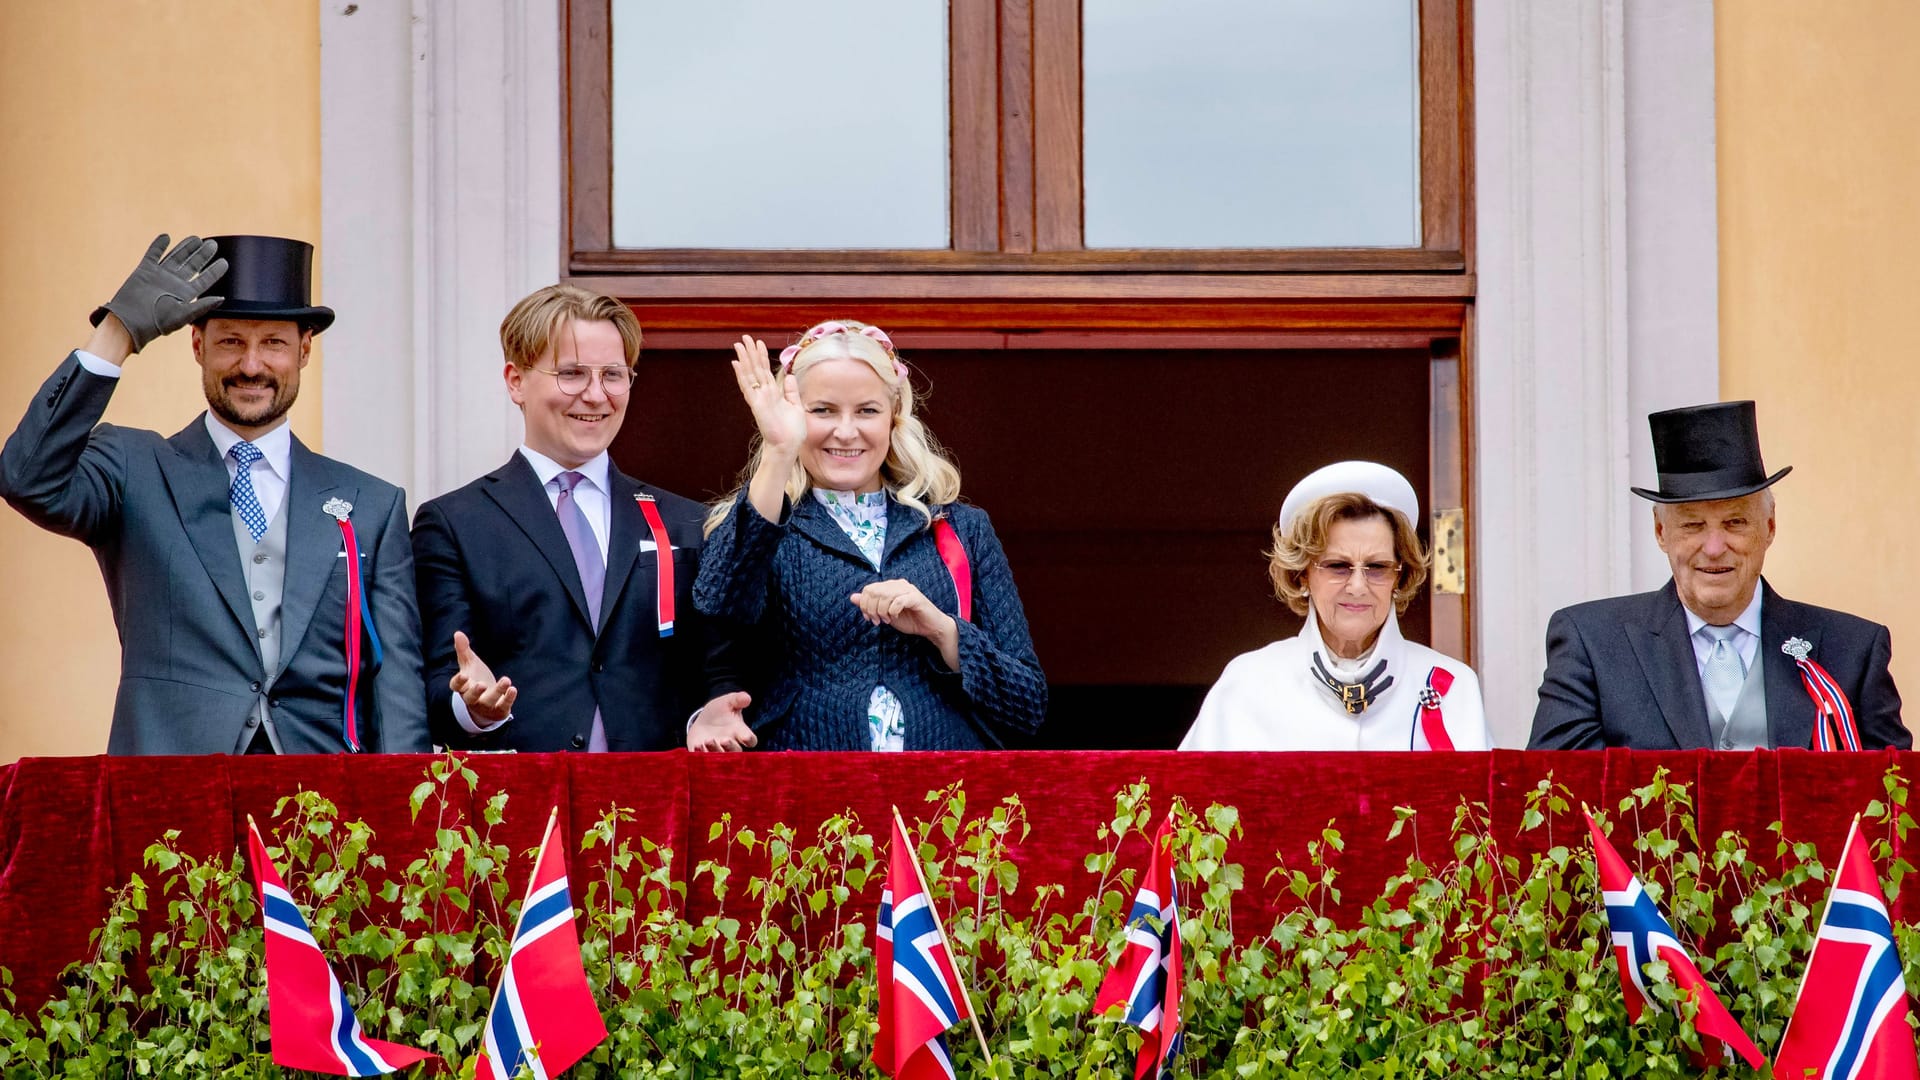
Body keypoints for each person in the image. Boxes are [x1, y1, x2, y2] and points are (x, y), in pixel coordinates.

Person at [0, 234, 429, 754]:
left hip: (324, 814)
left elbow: (397, 689)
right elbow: (26, 477)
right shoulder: (134, 466)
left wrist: (407, 821)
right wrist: (117, 334)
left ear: (305, 350)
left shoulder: (371, 504)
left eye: (273, 342)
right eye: (230, 341)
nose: (251, 366)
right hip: (169, 802)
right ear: (198, 345)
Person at [410, 285, 752, 752]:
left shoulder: (688, 522)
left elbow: (714, 665)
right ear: (515, 381)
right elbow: (434, 682)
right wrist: (474, 710)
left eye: (613, 374)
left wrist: (706, 714)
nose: (595, 395)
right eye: (571, 374)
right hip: (522, 805)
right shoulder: (453, 523)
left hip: (656, 801)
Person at [690, 319, 1046, 751]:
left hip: (945, 799)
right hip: (809, 791)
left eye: (867, 410)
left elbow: (1027, 706)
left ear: (894, 418)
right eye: (822, 410)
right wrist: (779, 453)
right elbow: (719, 604)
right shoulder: (761, 522)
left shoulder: (959, 528)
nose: (845, 431)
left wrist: (942, 631)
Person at [1529, 401, 1907, 751]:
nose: (1713, 547)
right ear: (1661, 533)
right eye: (1692, 525)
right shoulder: (1591, 644)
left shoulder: (1854, 650)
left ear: (1770, 526)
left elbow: (1896, 802)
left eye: (1735, 522)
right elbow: (1558, 795)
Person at [1180, 461, 1490, 751]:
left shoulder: (1453, 688)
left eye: (1377, 567)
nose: (1358, 586)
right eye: (1338, 566)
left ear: (1400, 575)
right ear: (1303, 574)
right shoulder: (1248, 684)